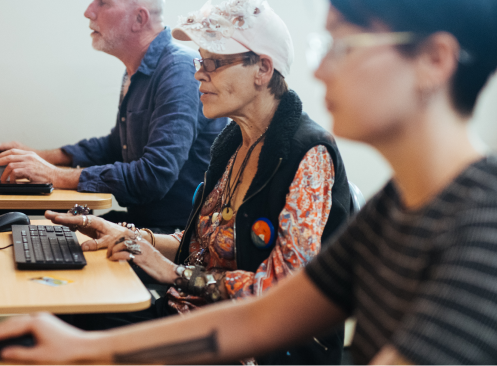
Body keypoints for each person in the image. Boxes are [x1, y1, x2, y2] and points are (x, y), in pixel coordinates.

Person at [0, 0, 497, 365]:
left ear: (435, 61)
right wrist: (81, 349)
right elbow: (262, 317)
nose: (316, 69)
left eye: (344, 45)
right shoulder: (403, 206)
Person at [47, 1, 352, 364]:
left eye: (215, 63)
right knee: (64, 311)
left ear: (263, 70)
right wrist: (136, 239)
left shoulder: (308, 154)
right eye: (200, 61)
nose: (199, 75)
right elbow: (203, 244)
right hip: (193, 318)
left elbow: (282, 292)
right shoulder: (233, 142)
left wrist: (177, 275)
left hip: (253, 349)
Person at [0, 0, 227, 233]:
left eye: (103, 2)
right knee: (45, 234)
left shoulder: (179, 70)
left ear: (139, 18)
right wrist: (37, 158)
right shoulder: (138, 69)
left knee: (51, 244)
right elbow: (114, 146)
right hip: (145, 225)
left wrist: (56, 175)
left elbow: (154, 176)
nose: (89, 11)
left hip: (174, 238)